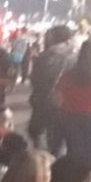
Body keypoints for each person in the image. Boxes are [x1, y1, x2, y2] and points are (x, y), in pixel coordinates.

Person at [56, 38, 91, 168]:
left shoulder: (69, 74)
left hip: (69, 114)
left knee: (74, 150)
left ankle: (73, 181)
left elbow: (58, 95)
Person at [28, 25, 74, 154]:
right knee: (59, 142)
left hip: (42, 102)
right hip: (64, 104)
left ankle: (42, 167)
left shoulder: (44, 56)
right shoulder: (73, 57)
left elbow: (34, 79)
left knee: (40, 138)